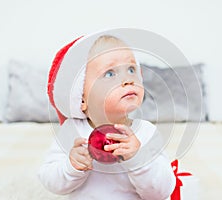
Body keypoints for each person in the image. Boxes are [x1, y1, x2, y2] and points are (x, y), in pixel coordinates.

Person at [38, 35, 176, 200]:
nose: (128, 80)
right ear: (81, 98)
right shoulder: (71, 131)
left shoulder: (146, 132)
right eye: (110, 73)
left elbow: (161, 192)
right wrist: (71, 167)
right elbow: (49, 180)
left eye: (131, 69)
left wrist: (138, 159)